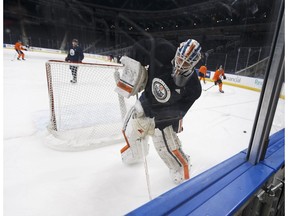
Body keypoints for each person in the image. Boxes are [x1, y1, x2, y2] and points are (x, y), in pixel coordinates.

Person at [115, 38, 202, 184]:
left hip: (163, 117)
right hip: (145, 100)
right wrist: (132, 61)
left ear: (195, 62)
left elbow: (180, 110)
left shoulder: (193, 87)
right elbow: (140, 46)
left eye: (186, 63)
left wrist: (160, 122)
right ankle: (135, 152)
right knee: (129, 128)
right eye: (179, 59)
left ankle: (181, 168)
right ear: (177, 51)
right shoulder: (162, 49)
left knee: (165, 147)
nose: (180, 65)